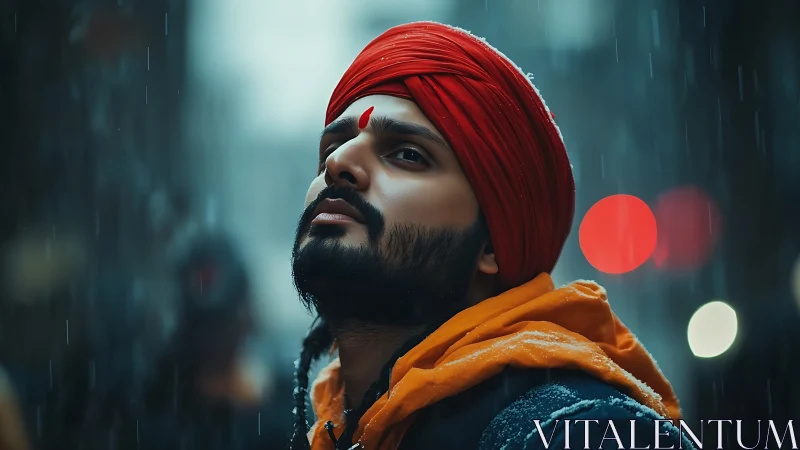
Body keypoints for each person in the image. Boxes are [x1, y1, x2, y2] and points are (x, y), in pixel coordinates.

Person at [288, 22, 693, 450]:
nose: (338, 163)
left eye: (407, 154)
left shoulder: (577, 432)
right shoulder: (340, 431)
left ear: (491, 245)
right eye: (332, 148)